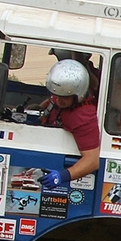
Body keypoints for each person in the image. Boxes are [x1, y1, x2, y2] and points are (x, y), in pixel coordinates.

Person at [37, 60, 100, 188]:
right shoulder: (60, 97)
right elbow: (52, 103)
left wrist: (62, 176)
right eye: (56, 95)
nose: (58, 100)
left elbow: (93, 161)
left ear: (77, 95)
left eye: (64, 97)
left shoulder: (82, 117)